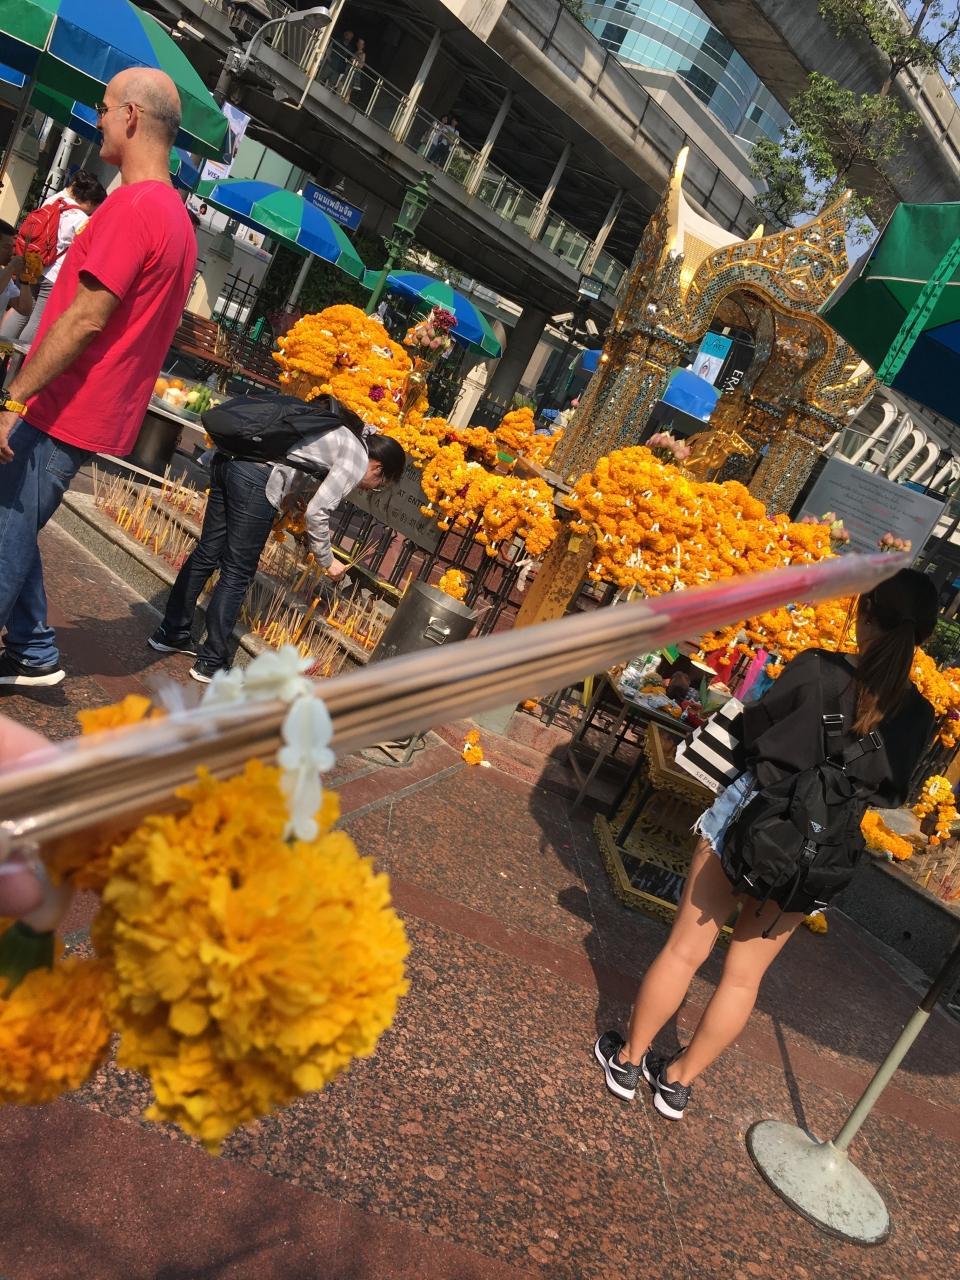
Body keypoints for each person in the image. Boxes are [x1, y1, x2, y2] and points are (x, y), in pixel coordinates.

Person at [594, 568, 937, 1121]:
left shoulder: (819, 668)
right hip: (819, 849)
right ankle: (677, 1083)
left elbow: (756, 731)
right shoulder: (918, 715)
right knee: (744, 977)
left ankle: (629, 1060)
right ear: (922, 635)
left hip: (753, 818)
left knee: (686, 949)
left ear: (865, 613)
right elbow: (893, 791)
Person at [0, 68, 198, 689]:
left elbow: (86, 318)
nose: (99, 118)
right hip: (91, 406)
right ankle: (33, 649)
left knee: (5, 526)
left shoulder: (133, 207)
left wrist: (14, 397)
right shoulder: (175, 218)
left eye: (104, 107)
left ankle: (30, 650)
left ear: (131, 116)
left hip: (63, 403)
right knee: (15, 519)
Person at [149, 423, 406, 684]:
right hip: (254, 478)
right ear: (377, 467)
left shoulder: (342, 434)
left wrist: (290, 497)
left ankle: (171, 633)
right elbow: (317, 513)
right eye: (378, 484)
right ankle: (211, 663)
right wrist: (327, 561)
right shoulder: (356, 458)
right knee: (237, 573)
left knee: (207, 552)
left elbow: (296, 456)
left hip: (227, 462)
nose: (369, 488)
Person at [5, 170, 108, 347]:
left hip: (32, 264)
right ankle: (18, 358)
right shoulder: (81, 220)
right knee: (37, 318)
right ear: (90, 202)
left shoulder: (53, 201)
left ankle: (2, 346)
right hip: (52, 274)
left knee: (21, 310)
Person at [0, 220, 34, 331]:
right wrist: (11, 267)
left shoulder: (5, 275)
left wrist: (24, 279)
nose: (12, 252)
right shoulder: (6, 273)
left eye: (13, 247)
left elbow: (25, 309)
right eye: (6, 247)